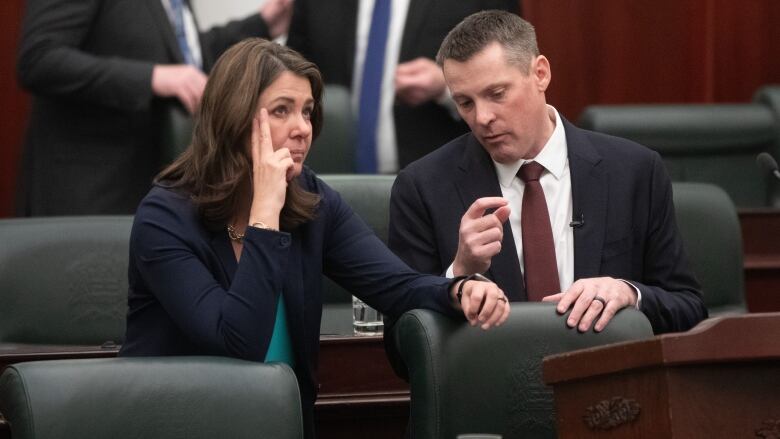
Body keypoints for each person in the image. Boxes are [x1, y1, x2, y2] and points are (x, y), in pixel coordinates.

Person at [118, 38, 510, 439]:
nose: (302, 128)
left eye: (306, 111)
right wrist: (264, 215)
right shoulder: (164, 218)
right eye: (281, 111)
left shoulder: (309, 199)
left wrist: (458, 290)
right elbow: (238, 345)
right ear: (233, 117)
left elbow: (397, 286)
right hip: (185, 424)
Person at [388, 10, 708, 335]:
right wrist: (457, 275)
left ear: (540, 73)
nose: (482, 117)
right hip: (493, 381)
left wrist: (630, 294)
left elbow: (689, 310)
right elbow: (402, 344)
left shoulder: (634, 172)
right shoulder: (423, 188)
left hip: (607, 379)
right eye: (465, 103)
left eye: (496, 94)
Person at [16, 0, 292, 216]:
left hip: (155, 188)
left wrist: (260, 24)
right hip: (87, 196)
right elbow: (39, 59)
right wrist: (152, 78)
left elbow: (182, 59)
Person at [285, 0, 518, 173]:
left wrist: (445, 86)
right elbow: (292, 75)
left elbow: (511, 67)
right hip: (328, 180)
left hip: (440, 179)